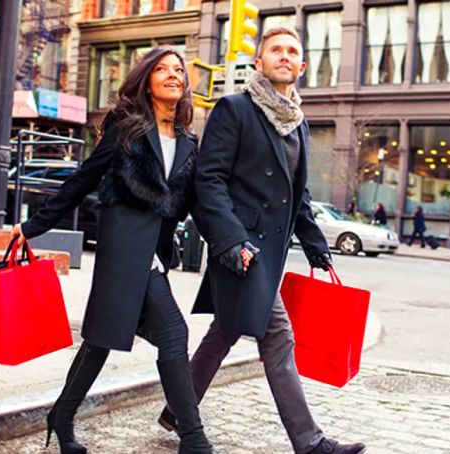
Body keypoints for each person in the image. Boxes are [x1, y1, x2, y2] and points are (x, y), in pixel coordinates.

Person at [156, 27, 366, 454]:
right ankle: (310, 442)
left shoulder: (298, 122)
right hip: (241, 249)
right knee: (279, 337)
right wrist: (231, 241)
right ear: (259, 62)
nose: (284, 56)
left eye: (292, 51)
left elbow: (297, 194)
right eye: (276, 50)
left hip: (268, 252)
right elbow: (208, 180)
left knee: (226, 330)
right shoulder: (235, 110)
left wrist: (314, 244)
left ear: (302, 67)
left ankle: (177, 411)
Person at [10, 46, 212, 454]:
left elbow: (196, 205)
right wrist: (33, 227)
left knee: (101, 341)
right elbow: (83, 179)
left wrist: (231, 243)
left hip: (155, 254)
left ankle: (61, 417)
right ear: (147, 80)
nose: (174, 75)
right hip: (124, 251)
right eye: (163, 69)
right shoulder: (127, 127)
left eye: (179, 70)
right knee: (173, 333)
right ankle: (194, 441)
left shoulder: (190, 142)